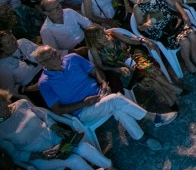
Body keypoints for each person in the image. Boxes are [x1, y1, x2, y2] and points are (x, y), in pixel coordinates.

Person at [33, 45, 176, 151]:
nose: (57, 55)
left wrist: (103, 82)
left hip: (101, 94)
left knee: (117, 108)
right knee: (116, 99)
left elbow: (94, 70)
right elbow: (57, 110)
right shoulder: (44, 83)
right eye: (52, 56)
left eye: (55, 52)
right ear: (43, 64)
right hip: (83, 111)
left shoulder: (72, 58)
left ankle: (142, 138)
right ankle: (154, 118)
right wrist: (83, 103)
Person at [0, 88, 113, 169]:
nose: (2, 106)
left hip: (57, 140)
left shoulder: (22, 104)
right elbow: (14, 154)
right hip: (40, 155)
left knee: (84, 148)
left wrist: (57, 128)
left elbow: (44, 115)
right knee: (74, 160)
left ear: (4, 99)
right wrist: (38, 155)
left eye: (2, 102)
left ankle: (110, 167)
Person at [83, 24, 182, 109]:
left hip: (133, 55)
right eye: (99, 36)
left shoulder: (112, 34)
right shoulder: (94, 49)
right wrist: (116, 69)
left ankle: (171, 93)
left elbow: (130, 40)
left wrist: (143, 41)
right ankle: (171, 93)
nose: (103, 36)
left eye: (102, 33)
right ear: (93, 39)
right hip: (122, 67)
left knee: (147, 68)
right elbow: (101, 66)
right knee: (145, 78)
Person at [132, 0, 196, 75]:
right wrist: (146, 25)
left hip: (173, 23)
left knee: (193, 35)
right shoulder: (138, 7)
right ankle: (188, 62)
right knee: (185, 42)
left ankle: (194, 57)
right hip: (161, 32)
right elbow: (139, 27)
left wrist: (184, 15)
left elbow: (174, 3)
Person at [0, 31, 43, 104]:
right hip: (33, 85)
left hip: (47, 69)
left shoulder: (23, 42)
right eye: (8, 42)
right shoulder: (3, 67)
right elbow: (10, 91)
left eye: (12, 38)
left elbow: (43, 53)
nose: (14, 42)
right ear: (2, 48)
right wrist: (30, 88)